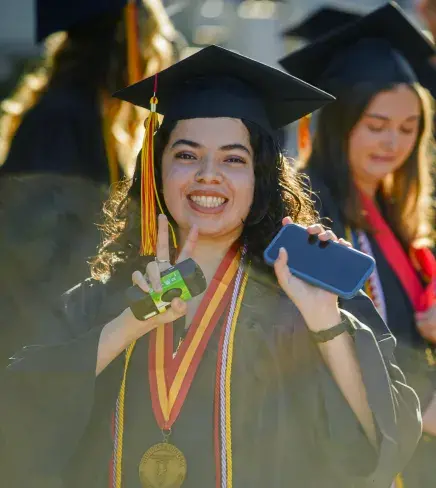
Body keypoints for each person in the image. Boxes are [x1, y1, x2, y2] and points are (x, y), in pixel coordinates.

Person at [1, 45, 421, 488]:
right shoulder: (105, 297)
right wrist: (131, 322)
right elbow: (18, 414)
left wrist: (323, 321)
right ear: (156, 168)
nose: (207, 173)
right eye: (186, 154)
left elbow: (383, 443)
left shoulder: (304, 302)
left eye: (233, 159)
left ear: (260, 178)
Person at [280, 2, 436, 486]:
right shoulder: (306, 212)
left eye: (408, 129)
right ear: (340, 121)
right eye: (376, 125)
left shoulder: (395, 215)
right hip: (354, 449)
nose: (393, 142)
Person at [0, 0, 179, 185]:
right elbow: (50, 209)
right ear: (122, 47)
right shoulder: (63, 120)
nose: (150, 58)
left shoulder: (89, 115)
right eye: (148, 43)